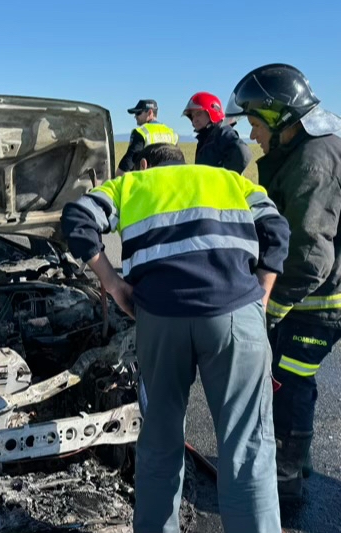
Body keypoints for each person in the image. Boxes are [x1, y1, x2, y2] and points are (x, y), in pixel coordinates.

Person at [61, 143, 289, 533]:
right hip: (235, 315)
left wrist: (114, 284)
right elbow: (277, 231)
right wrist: (260, 298)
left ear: (144, 164)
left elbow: (78, 216)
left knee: (159, 443)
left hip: (161, 318)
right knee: (247, 448)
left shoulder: (130, 183)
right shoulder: (231, 180)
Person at [225, 63, 341, 502]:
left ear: (278, 118)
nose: (252, 135)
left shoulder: (314, 160)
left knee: (289, 380)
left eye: (256, 123)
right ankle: (296, 461)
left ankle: (284, 481)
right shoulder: (306, 150)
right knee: (292, 379)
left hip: (320, 300)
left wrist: (266, 308)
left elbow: (310, 256)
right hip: (315, 295)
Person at [182, 91, 252, 173]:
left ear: (212, 111)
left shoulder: (222, 132)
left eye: (198, 114)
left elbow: (243, 152)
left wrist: (225, 179)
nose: (195, 120)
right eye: (192, 116)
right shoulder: (206, 138)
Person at [116, 99, 178, 176]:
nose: (135, 116)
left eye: (138, 113)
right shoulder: (171, 132)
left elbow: (128, 162)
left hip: (149, 180)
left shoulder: (140, 132)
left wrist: (116, 179)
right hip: (169, 179)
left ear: (150, 113)